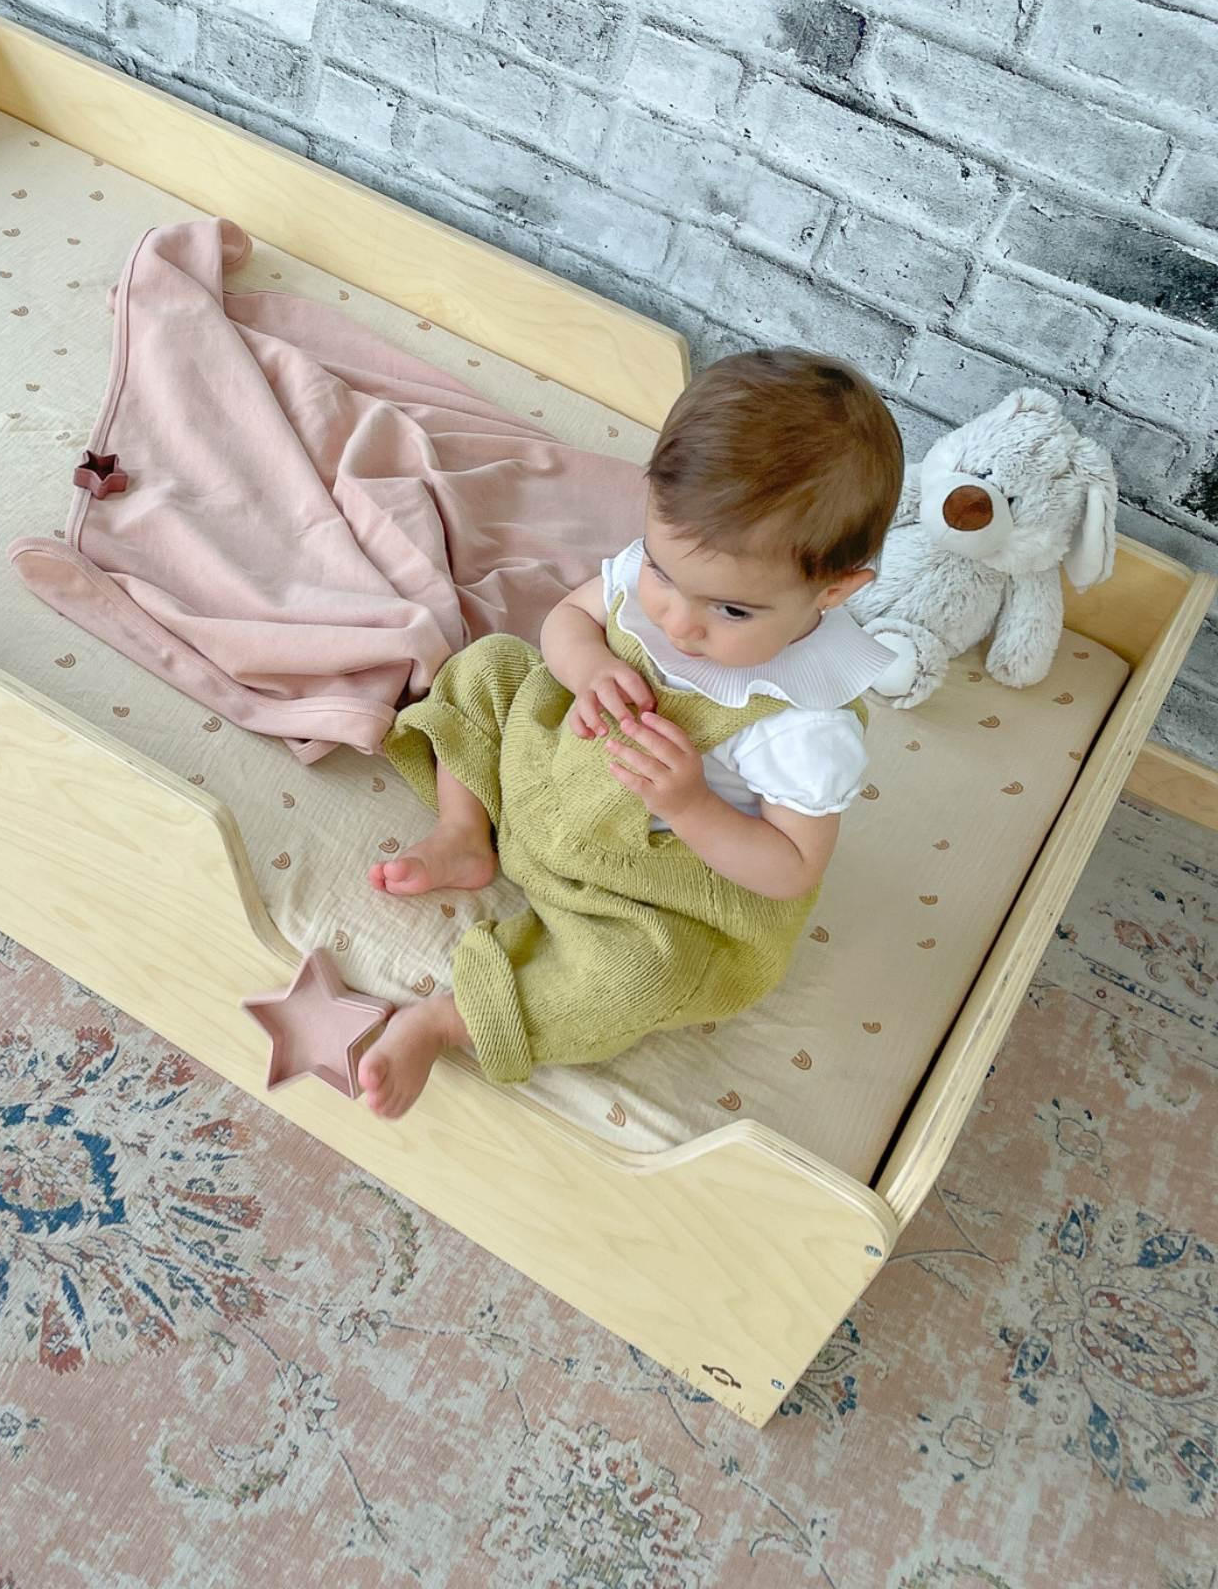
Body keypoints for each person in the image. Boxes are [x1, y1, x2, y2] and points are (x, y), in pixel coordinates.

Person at [358, 347, 904, 1119]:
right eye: (662, 572)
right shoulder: (664, 581)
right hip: (555, 773)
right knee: (488, 666)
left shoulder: (802, 722)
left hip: (646, 884)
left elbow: (789, 870)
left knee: (641, 978)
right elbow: (569, 618)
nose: (677, 622)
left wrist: (691, 806)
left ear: (836, 588)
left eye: (732, 612)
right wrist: (585, 667)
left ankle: (451, 1019)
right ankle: (465, 831)